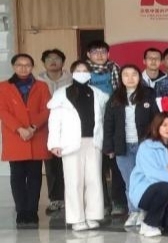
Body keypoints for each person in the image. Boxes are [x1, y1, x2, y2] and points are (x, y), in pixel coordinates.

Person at [47, 60, 109, 231]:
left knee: (94, 180)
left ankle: (93, 215)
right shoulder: (61, 93)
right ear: (72, 73)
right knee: (73, 181)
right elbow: (54, 121)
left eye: (85, 70)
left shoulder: (97, 93)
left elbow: (103, 118)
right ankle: (76, 218)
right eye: (78, 70)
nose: (82, 73)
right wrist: (54, 143)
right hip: (70, 143)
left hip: (93, 142)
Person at [103, 64, 160, 227]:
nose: (130, 78)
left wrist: (156, 142)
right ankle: (133, 211)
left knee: (146, 179)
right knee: (129, 181)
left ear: (139, 77)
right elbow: (108, 123)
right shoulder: (115, 97)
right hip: (123, 147)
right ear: (121, 78)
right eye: (126, 75)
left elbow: (156, 119)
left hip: (145, 146)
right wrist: (109, 147)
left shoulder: (148, 94)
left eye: (134, 74)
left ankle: (145, 211)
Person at [0, 54, 51, 227]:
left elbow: (47, 109)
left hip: (36, 135)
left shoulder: (41, 86)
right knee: (17, 177)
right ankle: (21, 212)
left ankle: (32, 211)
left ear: (32, 67)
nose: (23, 68)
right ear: (13, 66)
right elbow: (3, 111)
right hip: (15, 137)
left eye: (27, 65)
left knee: (35, 176)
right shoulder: (3, 87)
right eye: (19, 65)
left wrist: (32, 127)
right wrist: (20, 129)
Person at [128, 112, 168, 237]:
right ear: (157, 126)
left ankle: (158, 215)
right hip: (146, 192)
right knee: (164, 187)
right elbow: (156, 175)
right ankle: (148, 224)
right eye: (164, 125)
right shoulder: (146, 147)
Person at [86, 40, 126, 215]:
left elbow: (122, 93)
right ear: (89, 55)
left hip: (114, 121)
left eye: (103, 52)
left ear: (108, 54)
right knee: (96, 167)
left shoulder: (116, 69)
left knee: (117, 165)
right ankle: (102, 202)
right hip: (92, 123)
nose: (100, 55)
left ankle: (118, 202)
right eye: (95, 52)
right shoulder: (83, 71)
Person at [37, 48, 72, 214]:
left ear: (63, 62)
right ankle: (56, 199)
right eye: (49, 58)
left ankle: (72, 198)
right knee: (51, 165)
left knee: (70, 164)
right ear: (44, 63)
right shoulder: (37, 82)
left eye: (57, 58)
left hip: (69, 127)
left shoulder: (72, 79)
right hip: (45, 128)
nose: (53, 61)